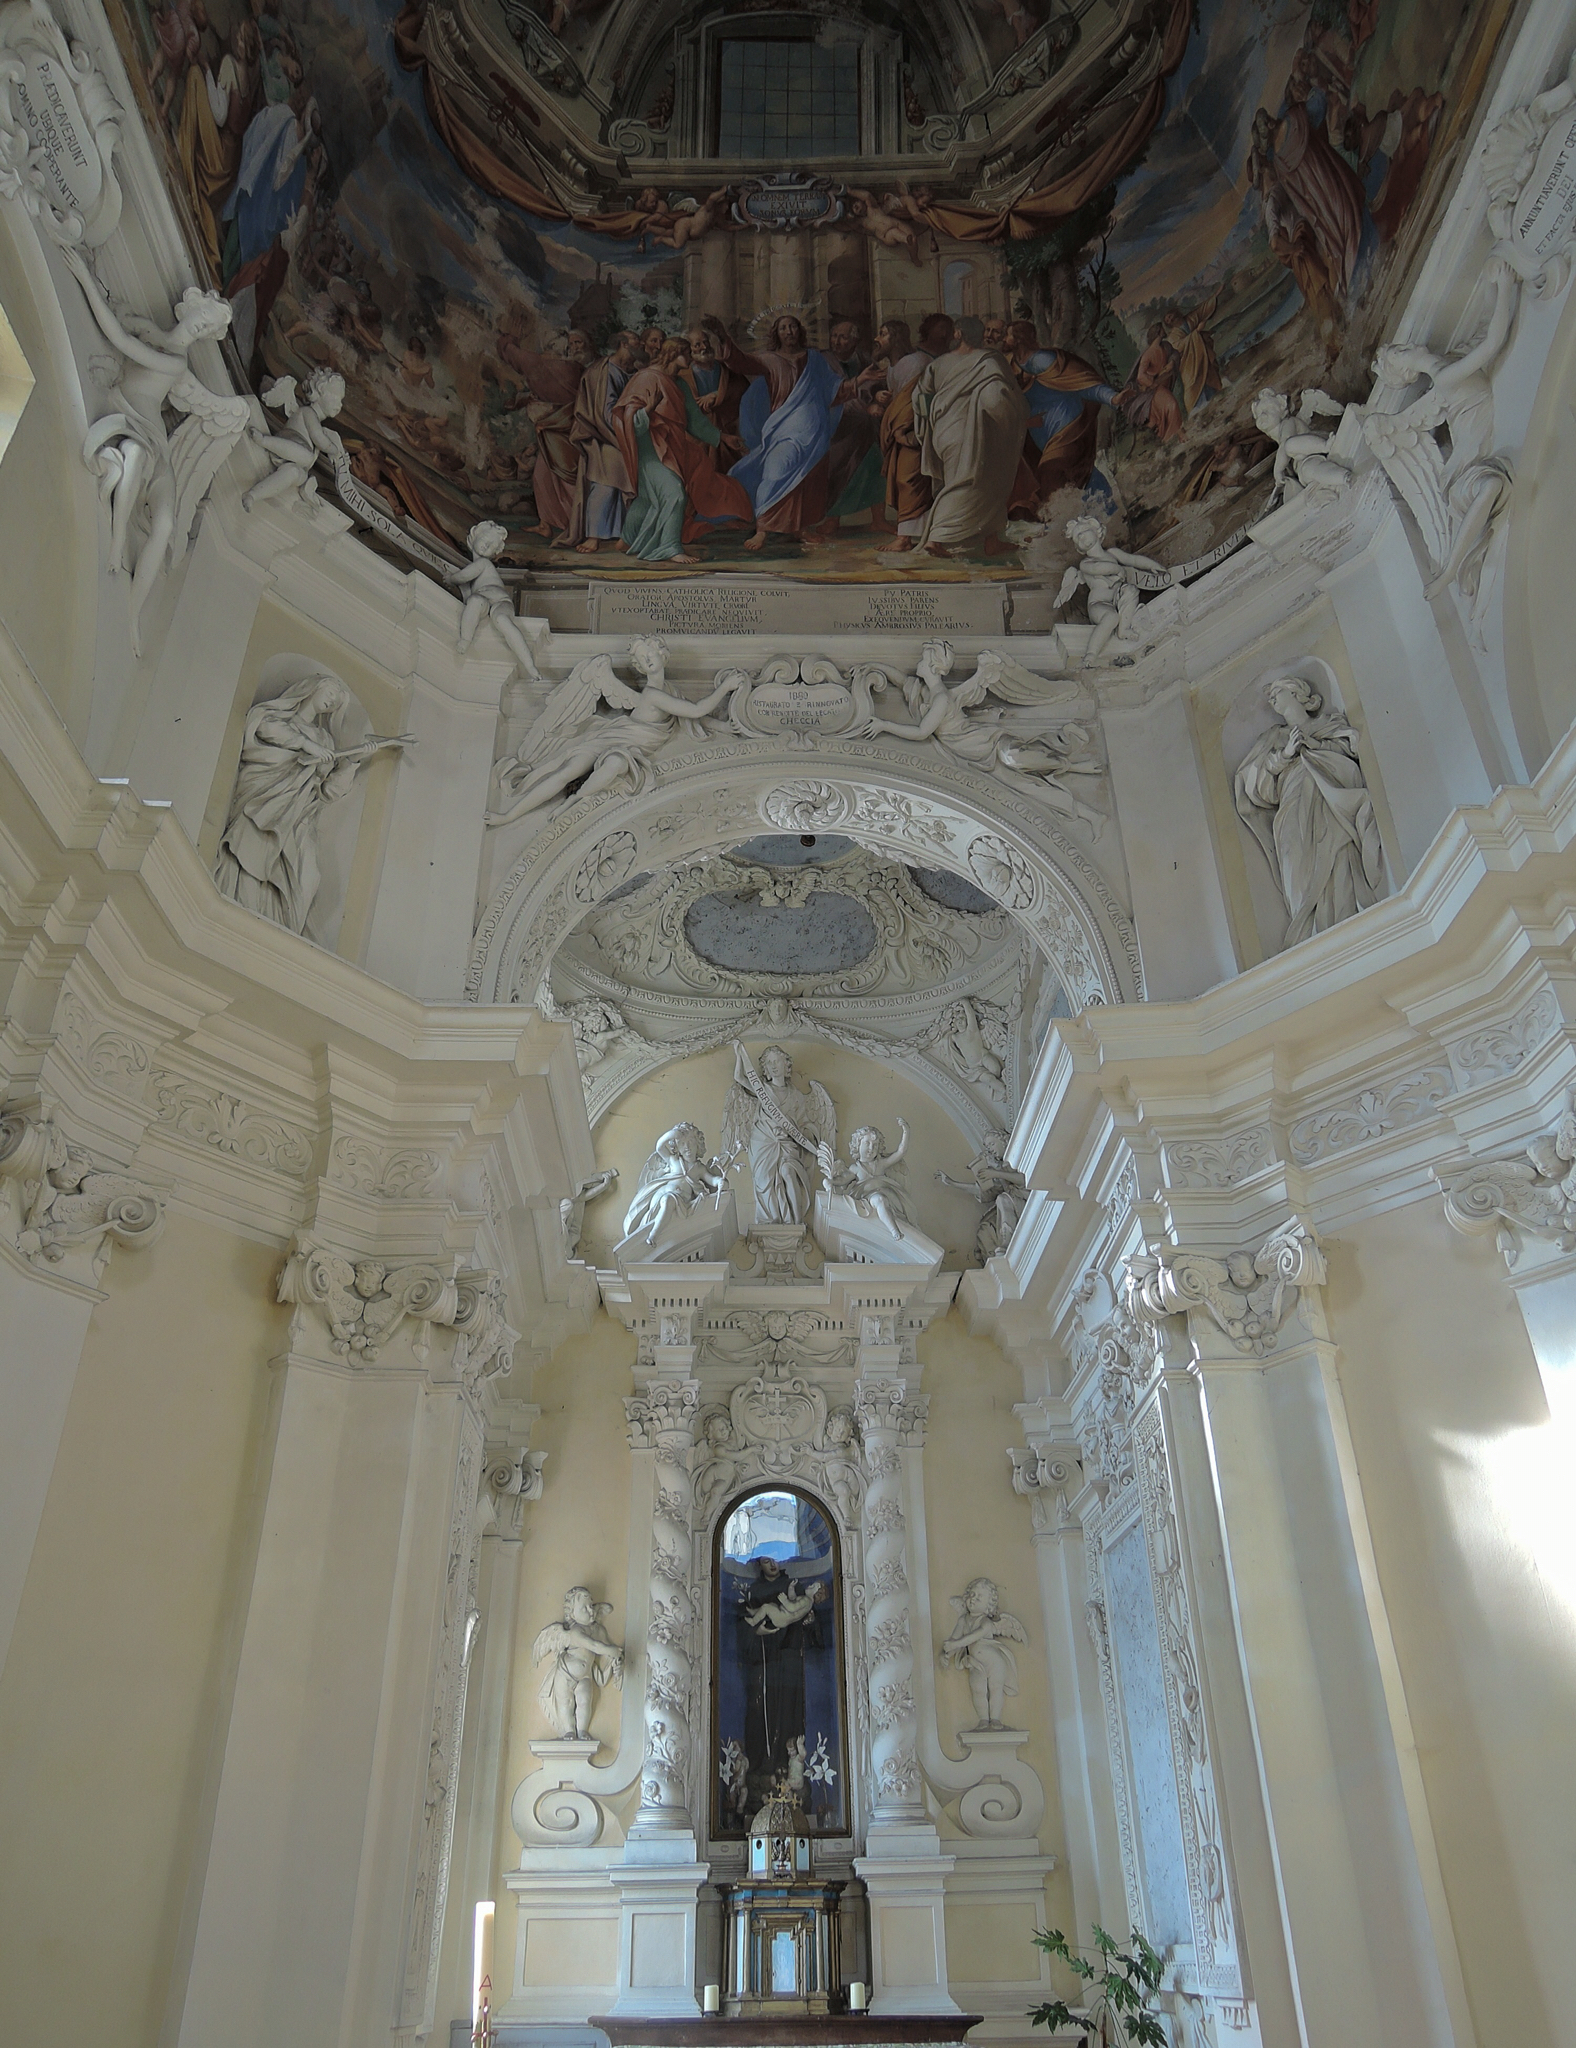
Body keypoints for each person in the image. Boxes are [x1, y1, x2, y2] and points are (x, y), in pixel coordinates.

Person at [214, 674, 411, 934]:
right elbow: (264, 728)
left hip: (299, 817)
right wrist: (306, 745)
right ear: (311, 689)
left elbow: (326, 792)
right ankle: (242, 917)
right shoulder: (276, 717)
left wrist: (352, 762)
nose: (332, 701)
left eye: (336, 702)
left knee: (309, 877)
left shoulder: (325, 740)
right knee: (252, 858)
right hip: (264, 807)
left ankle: (285, 933)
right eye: (330, 693)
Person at [1233, 674, 1382, 944]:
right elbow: (1257, 786)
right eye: (1271, 697)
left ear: (1296, 694)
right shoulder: (1273, 738)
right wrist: (1286, 754)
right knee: (1295, 859)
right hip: (1292, 803)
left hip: (1330, 801)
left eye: (1277, 692)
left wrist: (1315, 746)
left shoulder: (1328, 724)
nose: (1272, 699)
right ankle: (1310, 930)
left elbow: (1348, 751)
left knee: (1338, 851)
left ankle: (1344, 919)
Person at [700, 313, 859, 549]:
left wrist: (859, 381)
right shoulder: (770, 359)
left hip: (814, 432)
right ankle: (763, 528)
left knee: (806, 481)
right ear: (776, 333)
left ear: (799, 330)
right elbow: (740, 362)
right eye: (783, 328)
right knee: (775, 471)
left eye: (792, 326)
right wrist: (722, 335)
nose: (789, 331)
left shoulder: (814, 359)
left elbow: (834, 391)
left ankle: (800, 528)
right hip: (784, 430)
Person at [611, 338, 753, 562]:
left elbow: (694, 422)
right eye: (686, 353)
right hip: (651, 450)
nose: (690, 357)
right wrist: (649, 408)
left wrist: (723, 438)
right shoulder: (646, 378)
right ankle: (670, 548)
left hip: (673, 446)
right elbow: (627, 421)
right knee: (675, 493)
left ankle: (627, 539)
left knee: (647, 497)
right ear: (673, 354)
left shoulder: (680, 384)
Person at [903, 333, 1030, 558]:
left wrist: (929, 426)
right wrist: (1016, 419)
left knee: (985, 483)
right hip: (973, 433)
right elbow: (996, 399)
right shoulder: (989, 361)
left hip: (944, 433)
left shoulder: (937, 364)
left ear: (958, 335)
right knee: (966, 484)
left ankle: (992, 541)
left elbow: (919, 399)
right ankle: (935, 539)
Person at [720, 1042, 837, 1225]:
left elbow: (804, 1122)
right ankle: (772, 1219)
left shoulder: (796, 1096)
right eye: (769, 1063)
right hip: (763, 1141)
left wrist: (806, 1135)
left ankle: (795, 1221)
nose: (774, 1066)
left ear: (786, 1064)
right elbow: (739, 1077)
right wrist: (739, 1054)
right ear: (765, 1069)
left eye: (777, 1061)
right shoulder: (763, 1090)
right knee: (766, 1179)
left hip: (787, 1142)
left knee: (789, 1172)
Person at [1006, 321, 1119, 504]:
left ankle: (1095, 509)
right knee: (1075, 472)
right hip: (1042, 430)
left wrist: (1112, 398)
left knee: (1052, 472)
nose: (1005, 338)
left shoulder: (1042, 360)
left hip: (1066, 422)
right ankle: (1106, 508)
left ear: (1019, 338)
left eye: (1008, 334)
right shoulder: (1013, 363)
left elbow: (1083, 383)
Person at [496, 328, 589, 540]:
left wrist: (508, 340)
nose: (573, 348)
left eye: (577, 343)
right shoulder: (569, 369)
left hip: (565, 433)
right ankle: (546, 523)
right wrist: (524, 401)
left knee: (567, 481)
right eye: (571, 344)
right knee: (542, 477)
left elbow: (571, 406)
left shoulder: (567, 369)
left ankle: (581, 525)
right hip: (552, 433)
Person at [876, 314, 951, 552]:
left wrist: (901, 428)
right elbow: (899, 399)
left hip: (916, 431)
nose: (877, 339)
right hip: (903, 431)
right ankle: (919, 536)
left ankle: (907, 539)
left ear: (896, 338)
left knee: (910, 480)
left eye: (883, 334)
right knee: (908, 481)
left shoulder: (915, 362)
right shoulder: (894, 367)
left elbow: (914, 400)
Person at [562, 331, 642, 552]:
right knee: (606, 478)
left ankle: (626, 534)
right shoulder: (603, 371)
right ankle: (594, 536)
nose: (641, 345)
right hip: (601, 435)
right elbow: (605, 414)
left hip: (626, 434)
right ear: (624, 344)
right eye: (637, 342)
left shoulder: (634, 371)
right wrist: (625, 435)